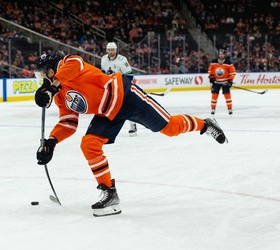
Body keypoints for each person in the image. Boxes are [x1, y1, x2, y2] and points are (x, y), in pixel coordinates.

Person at [34, 52, 228, 217]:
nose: (42, 78)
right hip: (107, 113)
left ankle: (205, 124)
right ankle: (109, 193)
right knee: (89, 143)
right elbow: (68, 122)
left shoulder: (69, 62)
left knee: (169, 128)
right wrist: (52, 142)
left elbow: (74, 66)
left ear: (52, 68)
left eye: (43, 73)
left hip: (125, 96)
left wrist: (52, 86)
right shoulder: (59, 94)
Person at [101, 42, 137, 136]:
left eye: (112, 50)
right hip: (110, 87)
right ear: (106, 50)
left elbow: (130, 75)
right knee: (109, 107)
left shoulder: (122, 60)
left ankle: (133, 126)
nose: (110, 51)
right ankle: (107, 128)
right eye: (109, 50)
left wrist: (122, 85)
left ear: (116, 50)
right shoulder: (104, 59)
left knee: (126, 106)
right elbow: (103, 73)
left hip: (121, 87)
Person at [208, 49, 237, 115]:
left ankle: (230, 109)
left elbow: (233, 73)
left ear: (224, 55)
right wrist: (211, 77)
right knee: (214, 96)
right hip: (216, 82)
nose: (221, 55)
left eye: (222, 54)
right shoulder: (213, 62)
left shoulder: (228, 63)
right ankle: (213, 109)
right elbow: (210, 70)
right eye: (220, 54)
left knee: (227, 96)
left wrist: (230, 80)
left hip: (225, 82)